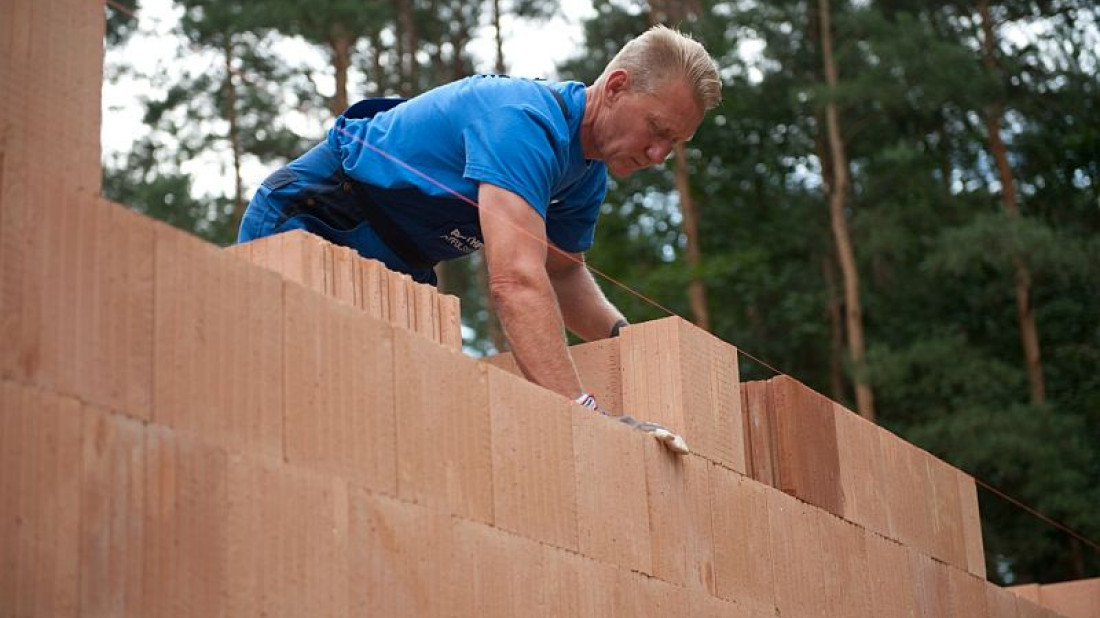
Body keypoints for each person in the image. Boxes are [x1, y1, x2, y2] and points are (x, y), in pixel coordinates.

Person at [238, 25, 722, 453]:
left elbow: (563, 272)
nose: (659, 154)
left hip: (400, 260)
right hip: (319, 215)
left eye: (674, 143)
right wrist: (583, 413)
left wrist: (635, 344)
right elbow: (516, 282)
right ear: (617, 87)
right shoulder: (523, 123)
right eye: (656, 129)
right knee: (283, 401)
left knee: (373, 435)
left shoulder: (586, 174)